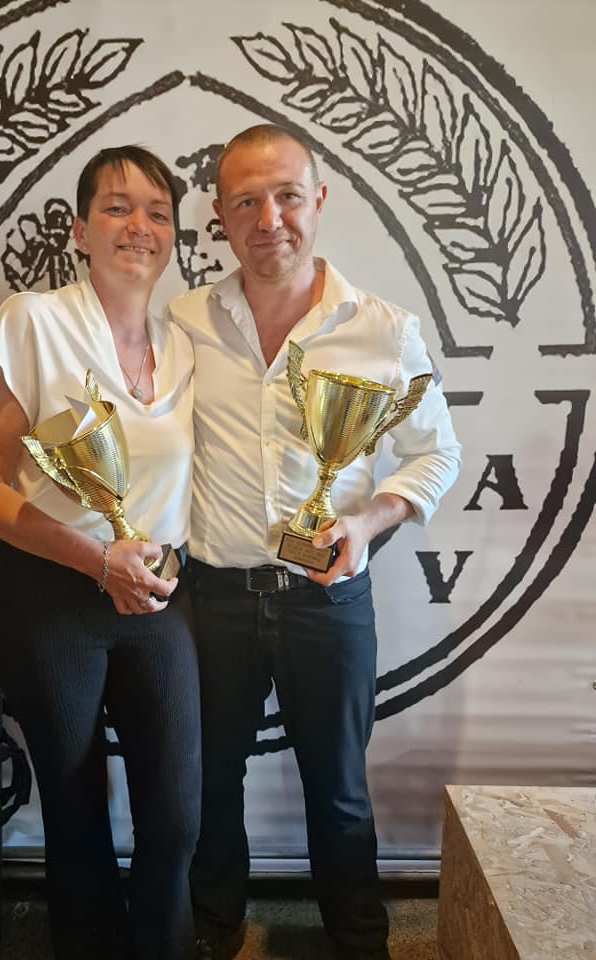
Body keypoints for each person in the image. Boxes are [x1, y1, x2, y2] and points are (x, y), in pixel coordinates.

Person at [169, 124, 461, 960]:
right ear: (220, 215)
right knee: (209, 783)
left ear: (320, 200)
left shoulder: (383, 329)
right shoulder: (181, 322)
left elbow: (437, 452)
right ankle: (214, 928)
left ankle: (360, 941)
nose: (270, 220)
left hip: (327, 599)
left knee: (338, 791)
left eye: (287, 196)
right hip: (213, 597)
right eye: (246, 202)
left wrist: (368, 522)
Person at [0, 147, 201, 960]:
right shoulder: (30, 321)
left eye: (158, 212)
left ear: (174, 235)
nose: (139, 226)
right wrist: (95, 560)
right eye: (116, 207)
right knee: (75, 813)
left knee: (177, 814)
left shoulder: (187, 339)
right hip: (54, 597)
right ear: (78, 229)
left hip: (158, 597)